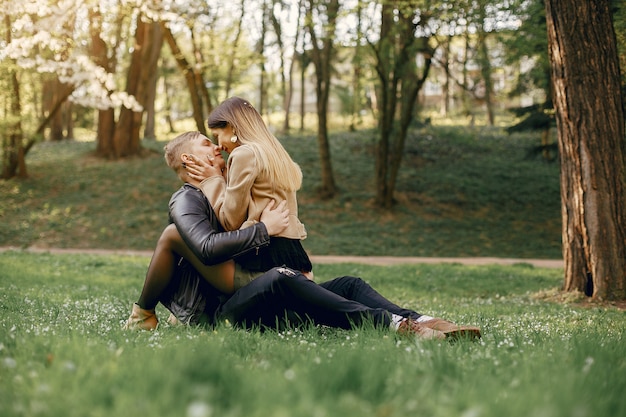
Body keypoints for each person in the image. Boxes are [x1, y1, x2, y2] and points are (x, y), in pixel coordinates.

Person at [124, 132, 481, 341]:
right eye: (207, 144)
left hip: (249, 296)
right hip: (220, 314)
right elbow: (207, 249)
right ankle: (398, 327)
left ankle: (423, 320)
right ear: (189, 159)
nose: (217, 147)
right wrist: (265, 230)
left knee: (350, 283)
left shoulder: (223, 196)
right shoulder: (187, 199)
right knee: (283, 278)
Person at [185, 97, 312, 279]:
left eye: (217, 135)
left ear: (232, 127)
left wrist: (213, 180)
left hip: (264, 251)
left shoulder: (243, 154)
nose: (219, 145)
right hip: (292, 248)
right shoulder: (275, 154)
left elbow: (231, 221)